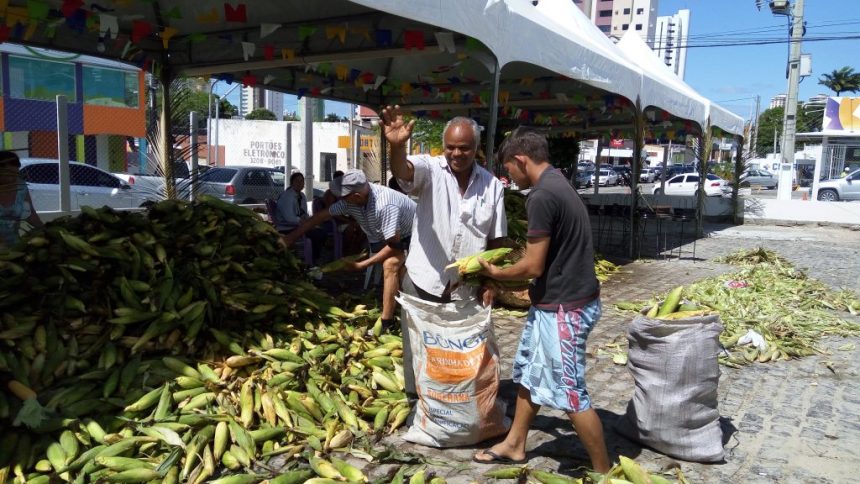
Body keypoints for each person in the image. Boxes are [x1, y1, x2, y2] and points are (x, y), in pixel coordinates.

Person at [472, 128, 610, 473]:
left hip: (566, 308)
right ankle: (515, 444)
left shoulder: (542, 196)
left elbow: (533, 265)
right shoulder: (557, 182)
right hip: (557, 301)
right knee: (530, 374)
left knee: (571, 392)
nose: (508, 176)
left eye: (508, 169)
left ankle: (605, 472)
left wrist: (493, 273)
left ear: (521, 160)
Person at [380, 105, 507, 397]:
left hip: (466, 290)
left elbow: (497, 240)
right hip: (423, 281)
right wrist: (397, 147)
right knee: (417, 348)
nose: (456, 154)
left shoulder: (492, 187)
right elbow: (404, 172)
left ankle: (455, 402)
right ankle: (418, 404)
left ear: (476, 148)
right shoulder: (431, 169)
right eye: (450, 147)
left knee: (458, 355)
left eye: (464, 148)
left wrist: (491, 281)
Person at [283, 170, 416, 328]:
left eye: (344, 196)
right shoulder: (351, 201)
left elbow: (394, 247)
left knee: (391, 265)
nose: (341, 199)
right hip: (386, 237)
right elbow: (320, 216)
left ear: (357, 197)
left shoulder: (384, 205)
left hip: (415, 235)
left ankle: (388, 321)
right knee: (394, 269)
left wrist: (362, 265)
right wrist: (291, 237)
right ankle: (401, 303)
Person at [273, 172, 325, 265]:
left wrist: (310, 222)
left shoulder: (302, 196)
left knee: (321, 231)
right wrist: (304, 222)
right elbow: (289, 218)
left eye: (302, 181)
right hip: (287, 228)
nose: (300, 183)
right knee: (317, 234)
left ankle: (314, 258)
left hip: (299, 225)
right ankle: (313, 261)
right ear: (292, 183)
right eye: (297, 181)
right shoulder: (287, 196)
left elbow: (304, 214)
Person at [0, 151, 42, 248]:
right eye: (8, 175)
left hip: (14, 246)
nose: (13, 179)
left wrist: (45, 230)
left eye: (15, 174)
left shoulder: (21, 187)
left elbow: (31, 214)